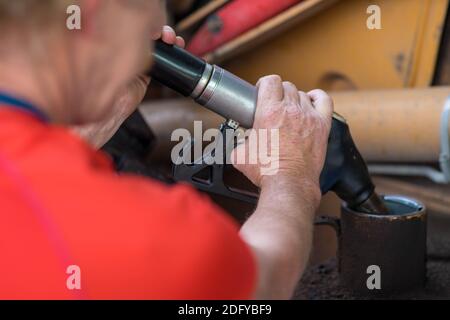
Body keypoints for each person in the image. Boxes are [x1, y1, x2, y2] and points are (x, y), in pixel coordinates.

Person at [0, 0, 333, 299]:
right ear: (94, 17)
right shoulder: (145, 237)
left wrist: (81, 129)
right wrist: (290, 175)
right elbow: (264, 283)